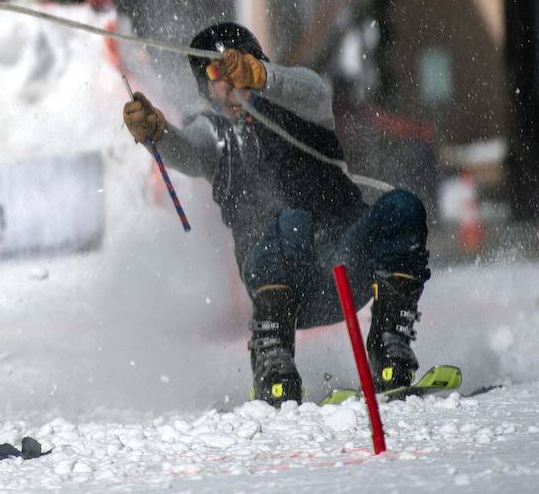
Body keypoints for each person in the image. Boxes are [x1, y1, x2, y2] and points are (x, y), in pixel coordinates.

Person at [121, 22, 431, 404]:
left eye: (240, 68)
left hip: (347, 267)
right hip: (283, 286)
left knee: (403, 207)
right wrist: (159, 134)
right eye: (217, 74)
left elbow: (314, 91)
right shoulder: (216, 134)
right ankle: (274, 362)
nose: (230, 83)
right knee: (289, 221)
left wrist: (263, 77)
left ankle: (389, 349)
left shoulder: (300, 105)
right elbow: (187, 149)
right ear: (206, 88)